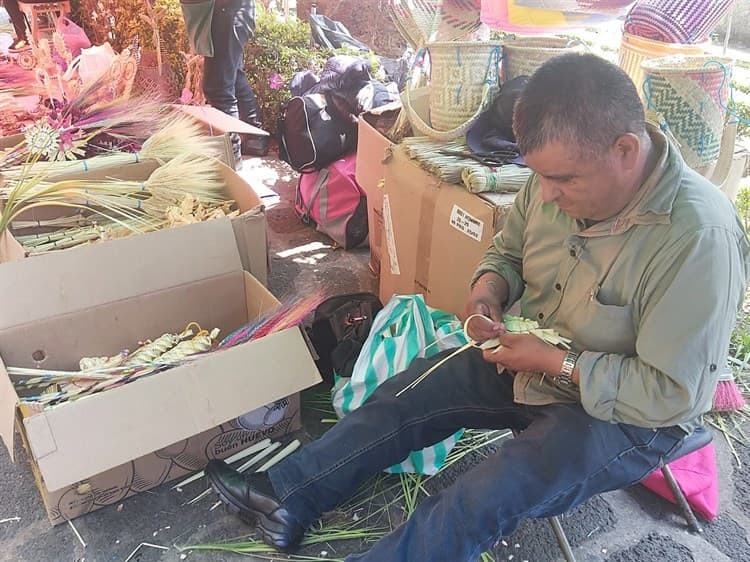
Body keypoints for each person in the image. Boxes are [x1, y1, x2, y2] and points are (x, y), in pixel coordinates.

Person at [205, 53, 750, 561]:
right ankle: (289, 495)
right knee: (410, 394)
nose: (548, 194)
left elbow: (674, 395)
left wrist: (555, 362)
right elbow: (507, 251)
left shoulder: (698, 237)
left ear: (625, 151)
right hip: (536, 356)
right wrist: (487, 291)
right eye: (540, 176)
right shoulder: (550, 181)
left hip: (632, 415)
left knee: (488, 490)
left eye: (563, 180)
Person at [181, 0, 264, 165]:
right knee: (234, 78)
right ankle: (255, 138)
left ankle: (230, 157)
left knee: (217, 88)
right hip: (230, 12)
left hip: (228, 13)